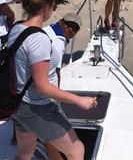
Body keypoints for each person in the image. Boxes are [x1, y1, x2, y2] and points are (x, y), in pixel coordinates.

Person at [10, 0, 97, 160]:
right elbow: (42, 87)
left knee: (25, 152)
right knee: (77, 150)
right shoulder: (39, 39)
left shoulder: (17, 29)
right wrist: (79, 100)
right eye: (53, 6)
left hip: (16, 103)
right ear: (46, 8)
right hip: (37, 106)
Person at [42, 13, 82, 160]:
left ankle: (16, 137)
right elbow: (56, 73)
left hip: (27, 88)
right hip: (44, 92)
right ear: (61, 22)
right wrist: (57, 97)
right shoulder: (58, 43)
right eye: (69, 25)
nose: (71, 30)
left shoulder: (48, 30)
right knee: (52, 132)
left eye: (75, 29)